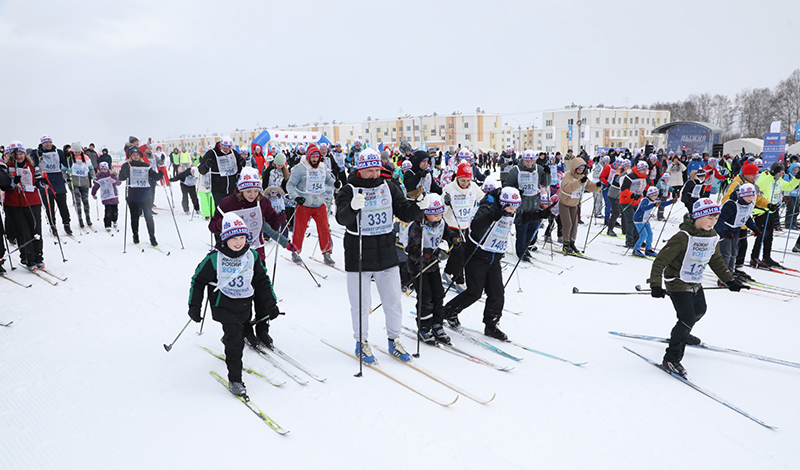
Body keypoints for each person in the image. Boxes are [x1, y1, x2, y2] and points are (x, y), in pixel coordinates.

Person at [335, 148, 425, 364]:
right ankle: (362, 342)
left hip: (386, 252)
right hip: (358, 254)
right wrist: (352, 209)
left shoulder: (389, 186)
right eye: (370, 171)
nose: (374, 174)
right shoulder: (348, 189)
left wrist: (418, 208)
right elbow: (341, 218)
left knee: (393, 300)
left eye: (377, 169)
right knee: (360, 303)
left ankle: (394, 340)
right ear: (360, 170)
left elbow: (403, 210)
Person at [648, 198, 747, 378]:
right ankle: (672, 358)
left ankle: (683, 333)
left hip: (694, 280)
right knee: (687, 317)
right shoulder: (682, 237)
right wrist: (655, 284)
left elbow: (715, 260)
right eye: (709, 218)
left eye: (716, 219)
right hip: (677, 281)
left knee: (700, 311)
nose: (713, 222)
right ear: (698, 216)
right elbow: (660, 260)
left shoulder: (712, 236)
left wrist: (729, 280)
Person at [187, 212, 282, 397]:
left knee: (238, 329)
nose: (238, 242)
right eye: (233, 238)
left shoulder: (251, 256)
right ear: (225, 238)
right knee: (235, 342)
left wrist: (271, 305)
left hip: (245, 304)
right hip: (223, 305)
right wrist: (194, 307)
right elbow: (198, 281)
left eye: (242, 237)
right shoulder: (214, 259)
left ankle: (231, 338)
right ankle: (235, 379)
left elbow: (262, 281)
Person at [442, 187, 521, 341]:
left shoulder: (512, 210)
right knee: (474, 292)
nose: (513, 211)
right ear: (503, 203)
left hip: (494, 257)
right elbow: (476, 225)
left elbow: (522, 217)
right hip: (476, 255)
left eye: (515, 207)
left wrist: (541, 214)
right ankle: (449, 312)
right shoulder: (488, 207)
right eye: (511, 207)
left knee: (497, 293)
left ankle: (491, 325)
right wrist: (495, 215)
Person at [405, 194, 459, 344]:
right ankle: (424, 328)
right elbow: (413, 251)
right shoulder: (417, 226)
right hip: (418, 268)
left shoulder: (441, 222)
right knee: (425, 298)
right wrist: (434, 253)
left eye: (440, 213)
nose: (438, 217)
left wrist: (453, 238)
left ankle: (437, 324)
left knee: (439, 295)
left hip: (433, 265)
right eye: (434, 214)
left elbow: (447, 232)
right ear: (425, 213)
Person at [209, 167, 294, 261]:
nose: (253, 195)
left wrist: (279, 219)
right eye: (248, 191)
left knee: (260, 275)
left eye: (256, 191)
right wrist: (222, 224)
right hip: (232, 252)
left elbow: (271, 226)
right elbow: (212, 227)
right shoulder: (228, 203)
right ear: (241, 189)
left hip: (256, 251)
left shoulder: (262, 202)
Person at [286, 143, 336, 265]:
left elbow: (328, 180)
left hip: (319, 204)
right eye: (313, 157)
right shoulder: (300, 168)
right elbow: (290, 185)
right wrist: (296, 197)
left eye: (317, 157)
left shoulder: (323, 167)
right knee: (300, 229)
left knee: (324, 229)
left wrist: (336, 184)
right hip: (304, 204)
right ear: (308, 156)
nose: (315, 160)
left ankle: (327, 253)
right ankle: (295, 251)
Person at [0, 141, 44, 271]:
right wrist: (13, 182)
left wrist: (41, 181)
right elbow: (5, 184)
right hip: (14, 203)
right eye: (16, 154)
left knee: (36, 231)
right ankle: (28, 258)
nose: (19, 156)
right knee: (23, 232)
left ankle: (38, 257)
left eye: (21, 153)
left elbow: (37, 179)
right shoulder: (6, 167)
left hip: (33, 201)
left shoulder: (31, 165)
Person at [749, 162, 800, 268]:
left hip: (771, 210)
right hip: (761, 210)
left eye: (782, 173)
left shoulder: (779, 180)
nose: (781, 175)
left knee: (769, 236)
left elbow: (789, 186)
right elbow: (756, 190)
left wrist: (797, 178)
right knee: (762, 234)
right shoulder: (765, 179)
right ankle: (754, 257)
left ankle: (766, 257)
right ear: (774, 172)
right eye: (780, 173)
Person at [503, 149, 550, 260]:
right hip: (521, 206)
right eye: (527, 161)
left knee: (533, 228)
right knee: (522, 230)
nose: (529, 164)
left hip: (535, 203)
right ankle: (521, 252)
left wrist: (547, 173)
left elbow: (545, 183)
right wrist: (516, 191)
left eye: (531, 161)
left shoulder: (538, 169)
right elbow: (507, 186)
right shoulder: (516, 170)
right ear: (523, 160)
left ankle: (526, 248)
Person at [442, 162, 483, 289]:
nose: (465, 183)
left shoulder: (474, 187)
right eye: (463, 180)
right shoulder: (449, 188)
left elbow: (483, 199)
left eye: (468, 180)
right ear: (457, 178)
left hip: (465, 226)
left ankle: (447, 273)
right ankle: (459, 281)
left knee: (459, 253)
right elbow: (440, 208)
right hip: (451, 227)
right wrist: (445, 202)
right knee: (460, 255)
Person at [715, 183, 760, 279]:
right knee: (726, 254)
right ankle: (723, 278)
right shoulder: (731, 204)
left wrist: (755, 229)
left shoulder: (749, 204)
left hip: (736, 230)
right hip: (726, 230)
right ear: (741, 195)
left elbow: (747, 218)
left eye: (752, 195)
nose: (750, 198)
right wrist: (724, 232)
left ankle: (730, 275)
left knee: (734, 253)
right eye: (747, 195)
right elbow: (719, 220)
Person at [118, 146, 161, 246]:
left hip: (145, 194)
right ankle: (135, 235)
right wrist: (126, 173)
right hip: (133, 195)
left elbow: (153, 175)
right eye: (133, 155)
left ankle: (152, 237)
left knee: (148, 216)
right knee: (134, 217)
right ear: (130, 156)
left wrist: (160, 175)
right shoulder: (127, 165)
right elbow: (121, 178)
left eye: (137, 155)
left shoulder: (145, 165)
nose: (135, 156)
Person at [558, 157, 601, 254]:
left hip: (574, 203)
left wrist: (597, 186)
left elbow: (590, 186)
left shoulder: (583, 177)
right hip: (564, 203)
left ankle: (572, 242)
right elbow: (567, 187)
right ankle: (566, 243)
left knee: (574, 224)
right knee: (567, 224)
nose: (580, 171)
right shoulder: (568, 176)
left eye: (582, 169)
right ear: (574, 168)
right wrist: (579, 182)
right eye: (579, 169)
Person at [33, 134, 73, 236]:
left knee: (63, 206)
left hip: (58, 182)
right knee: (49, 207)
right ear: (42, 143)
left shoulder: (58, 152)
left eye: (49, 142)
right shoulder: (37, 152)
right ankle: (53, 226)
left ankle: (67, 224)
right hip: (45, 182)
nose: (48, 144)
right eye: (46, 142)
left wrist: (68, 157)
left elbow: (67, 164)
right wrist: (37, 157)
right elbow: (33, 164)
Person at [199, 137, 245, 209]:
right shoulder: (212, 153)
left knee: (234, 209)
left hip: (232, 188)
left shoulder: (233, 152)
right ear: (220, 145)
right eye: (225, 148)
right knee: (222, 209)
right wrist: (207, 165)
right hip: (218, 189)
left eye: (229, 148)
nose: (227, 150)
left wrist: (241, 162)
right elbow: (201, 170)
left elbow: (239, 165)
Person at [631, 186, 674, 257]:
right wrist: (653, 205)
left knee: (650, 234)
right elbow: (643, 208)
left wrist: (671, 201)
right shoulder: (645, 200)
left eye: (657, 195)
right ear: (650, 195)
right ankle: (636, 249)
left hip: (646, 220)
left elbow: (662, 204)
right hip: (639, 219)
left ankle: (648, 249)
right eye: (654, 195)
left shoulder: (655, 200)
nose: (656, 196)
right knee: (643, 235)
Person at [619, 161, 649, 248]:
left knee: (638, 221)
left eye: (646, 169)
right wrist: (632, 195)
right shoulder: (630, 176)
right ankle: (629, 241)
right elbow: (624, 189)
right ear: (639, 169)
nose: (645, 171)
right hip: (625, 201)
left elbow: (648, 187)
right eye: (643, 170)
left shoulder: (645, 177)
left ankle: (638, 240)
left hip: (637, 201)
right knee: (631, 221)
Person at [68, 141, 96, 231]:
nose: (77, 153)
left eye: (78, 151)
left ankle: (88, 220)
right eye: (75, 152)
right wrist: (67, 178)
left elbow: (91, 168)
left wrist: (93, 176)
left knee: (86, 202)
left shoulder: (86, 158)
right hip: (74, 183)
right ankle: (80, 220)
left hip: (84, 182)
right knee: (78, 203)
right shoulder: (70, 158)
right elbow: (64, 169)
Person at [90, 162, 122, 232]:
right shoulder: (99, 177)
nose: (103, 170)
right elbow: (96, 186)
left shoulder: (112, 175)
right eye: (102, 169)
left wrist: (114, 181)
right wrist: (93, 194)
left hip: (113, 195)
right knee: (108, 211)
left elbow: (119, 182)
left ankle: (114, 220)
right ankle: (107, 224)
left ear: (108, 169)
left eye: (105, 169)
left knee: (115, 211)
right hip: (105, 196)